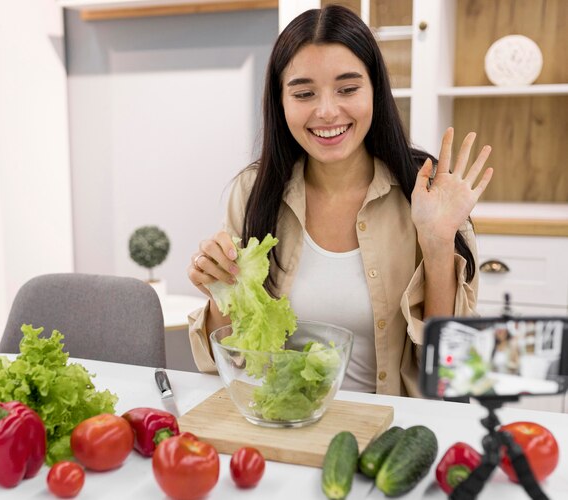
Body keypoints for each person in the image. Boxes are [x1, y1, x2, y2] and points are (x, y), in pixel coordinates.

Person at [186, 5, 493, 397]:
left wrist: (437, 245)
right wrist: (220, 290)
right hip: (287, 423)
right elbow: (227, 362)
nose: (327, 111)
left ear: (375, 92)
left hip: (393, 433)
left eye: (348, 89)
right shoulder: (252, 191)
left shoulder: (427, 191)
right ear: (280, 102)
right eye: (303, 93)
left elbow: (454, 372)